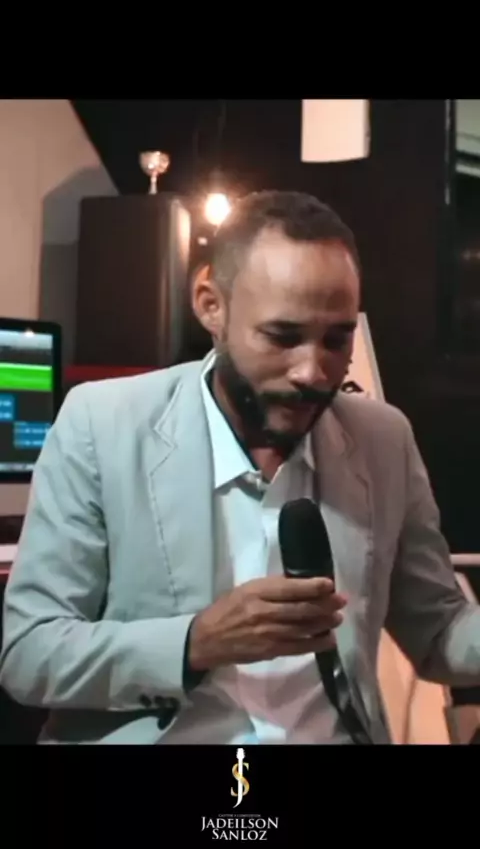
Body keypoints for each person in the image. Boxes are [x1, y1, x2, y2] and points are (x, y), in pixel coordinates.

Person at [1, 190, 480, 745]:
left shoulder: (383, 439)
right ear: (211, 305)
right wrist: (195, 642)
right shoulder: (101, 424)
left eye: (337, 339)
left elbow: (438, 631)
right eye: (283, 336)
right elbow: (28, 653)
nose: (313, 371)